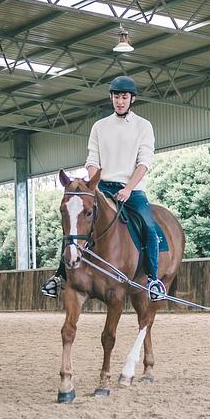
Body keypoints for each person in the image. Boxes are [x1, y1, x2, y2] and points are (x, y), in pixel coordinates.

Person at [41, 75, 167, 301]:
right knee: (75, 220)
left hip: (132, 190)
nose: (120, 101)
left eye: (124, 97)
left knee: (149, 227)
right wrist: (93, 183)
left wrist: (128, 189)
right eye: (116, 96)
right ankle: (60, 276)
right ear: (111, 98)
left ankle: (153, 280)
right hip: (101, 186)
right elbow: (92, 159)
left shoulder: (143, 126)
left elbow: (144, 162)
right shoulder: (99, 126)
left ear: (132, 99)